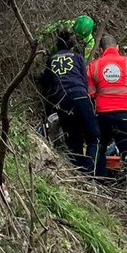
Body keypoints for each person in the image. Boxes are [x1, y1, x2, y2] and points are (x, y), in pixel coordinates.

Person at [87, 34, 127, 182]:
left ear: (101, 50)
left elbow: (91, 93)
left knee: (100, 147)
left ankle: (99, 182)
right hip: (126, 114)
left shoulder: (93, 66)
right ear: (117, 48)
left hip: (103, 115)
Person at [41, 32, 100, 174]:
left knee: (73, 139)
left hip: (61, 100)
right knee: (94, 137)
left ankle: (78, 172)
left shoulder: (51, 59)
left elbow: (46, 83)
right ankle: (90, 172)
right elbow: (85, 81)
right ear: (72, 45)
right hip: (79, 95)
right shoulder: (78, 58)